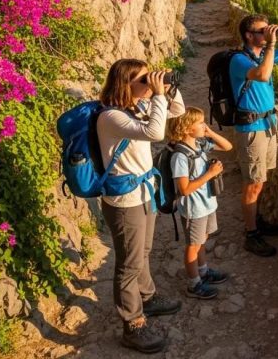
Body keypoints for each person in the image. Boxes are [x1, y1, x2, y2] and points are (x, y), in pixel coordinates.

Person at [97, 59, 185, 353]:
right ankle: (132, 324)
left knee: (144, 251)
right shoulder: (111, 117)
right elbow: (155, 133)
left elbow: (177, 112)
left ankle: (147, 297)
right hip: (124, 201)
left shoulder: (138, 107)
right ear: (126, 83)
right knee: (129, 263)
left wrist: (168, 88)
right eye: (144, 78)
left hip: (144, 192)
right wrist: (157, 95)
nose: (150, 82)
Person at [230, 14, 278, 257]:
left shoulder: (265, 54)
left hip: (267, 125)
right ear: (249, 35)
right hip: (251, 130)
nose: (266, 33)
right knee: (253, 183)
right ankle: (251, 235)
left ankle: (257, 221)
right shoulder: (239, 60)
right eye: (262, 31)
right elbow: (262, 75)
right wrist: (271, 45)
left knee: (260, 179)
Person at [165, 107, 233, 300]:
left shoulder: (200, 144)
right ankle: (194, 284)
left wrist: (209, 132)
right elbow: (184, 189)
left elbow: (227, 146)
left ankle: (202, 271)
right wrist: (210, 174)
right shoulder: (180, 156)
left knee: (202, 239)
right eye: (200, 123)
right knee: (193, 245)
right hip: (194, 208)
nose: (205, 125)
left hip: (206, 204)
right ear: (187, 128)